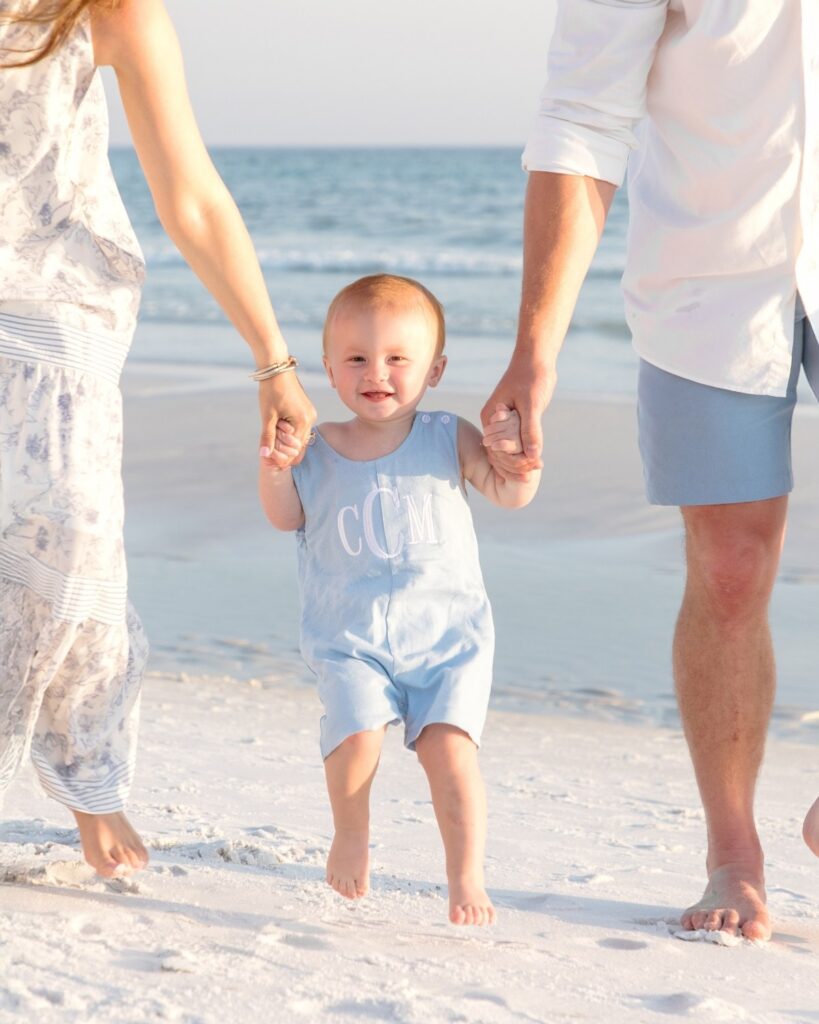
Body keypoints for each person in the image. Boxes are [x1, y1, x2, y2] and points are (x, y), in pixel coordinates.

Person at [481, 3, 817, 942]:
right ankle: (734, 857)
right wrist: (534, 350)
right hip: (705, 284)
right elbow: (582, 118)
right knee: (728, 570)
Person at [0, 0, 314, 878]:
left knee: (78, 535)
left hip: (63, 303)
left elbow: (193, 197)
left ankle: (90, 777)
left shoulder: (110, 13)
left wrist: (272, 359)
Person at [259, 274, 539, 925]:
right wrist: (274, 466)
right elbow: (284, 516)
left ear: (434, 369)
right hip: (350, 638)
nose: (374, 372)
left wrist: (521, 462)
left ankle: (464, 872)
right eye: (355, 358)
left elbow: (507, 494)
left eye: (396, 359)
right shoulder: (318, 447)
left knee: (451, 753)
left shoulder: (448, 435)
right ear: (328, 368)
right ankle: (351, 833)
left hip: (446, 640)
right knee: (355, 739)